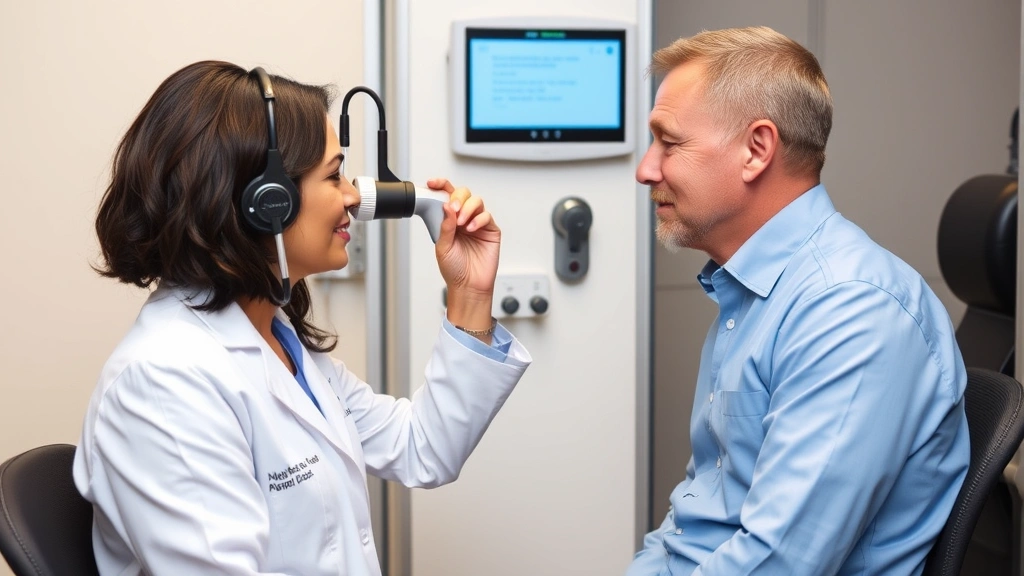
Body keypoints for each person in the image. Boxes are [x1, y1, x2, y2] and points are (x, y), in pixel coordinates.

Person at [72, 60, 531, 576]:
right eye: (334, 176)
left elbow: (422, 448)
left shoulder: (275, 337)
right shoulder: (163, 383)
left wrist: (470, 293)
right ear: (265, 203)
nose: (354, 196)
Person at [628, 27, 968, 575]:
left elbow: (779, 563)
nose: (646, 169)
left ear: (756, 150)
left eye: (669, 142)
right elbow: (693, 521)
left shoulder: (850, 309)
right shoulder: (751, 295)